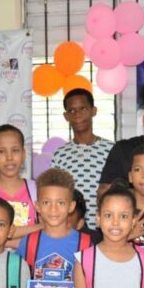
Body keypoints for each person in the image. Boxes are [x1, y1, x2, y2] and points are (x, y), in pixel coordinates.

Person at [50, 88, 113, 226]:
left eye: (83, 108)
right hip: (71, 228)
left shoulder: (112, 150)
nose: (77, 115)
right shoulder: (60, 154)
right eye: (72, 110)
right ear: (66, 116)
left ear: (93, 111)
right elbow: (56, 193)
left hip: (105, 227)